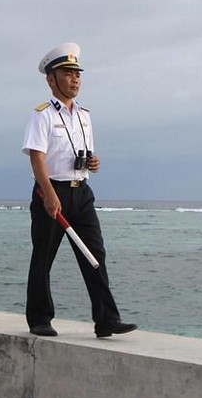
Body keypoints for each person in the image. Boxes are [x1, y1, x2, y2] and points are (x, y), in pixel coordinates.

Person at [22, 43, 137, 338]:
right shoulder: (43, 114)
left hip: (81, 192)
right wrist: (48, 194)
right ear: (51, 79)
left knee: (95, 254)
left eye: (77, 74)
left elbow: (83, 155)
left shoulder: (85, 115)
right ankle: (39, 318)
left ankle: (106, 319)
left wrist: (93, 163)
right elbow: (37, 156)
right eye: (67, 73)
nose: (74, 79)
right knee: (43, 257)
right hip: (52, 191)